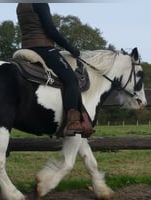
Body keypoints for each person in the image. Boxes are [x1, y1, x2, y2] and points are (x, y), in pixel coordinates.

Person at [16, 3, 93, 137]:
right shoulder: (40, 3)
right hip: (44, 48)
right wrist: (70, 48)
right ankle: (73, 121)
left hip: (27, 47)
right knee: (72, 79)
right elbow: (50, 30)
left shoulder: (21, 5)